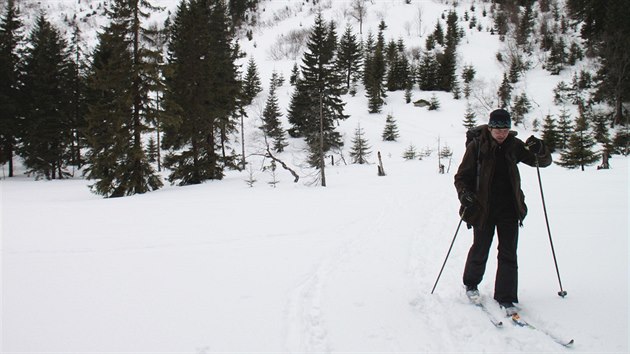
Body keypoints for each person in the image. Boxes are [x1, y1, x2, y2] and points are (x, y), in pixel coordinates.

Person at [454, 108, 552, 314]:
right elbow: (461, 177)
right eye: (497, 129)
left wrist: (540, 149)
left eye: (505, 129)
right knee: (481, 248)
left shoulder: (514, 146)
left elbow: (541, 162)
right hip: (483, 208)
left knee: (508, 252)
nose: (501, 133)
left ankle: (505, 296)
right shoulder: (477, 146)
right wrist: (465, 195)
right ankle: (471, 283)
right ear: (490, 128)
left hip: (509, 208)